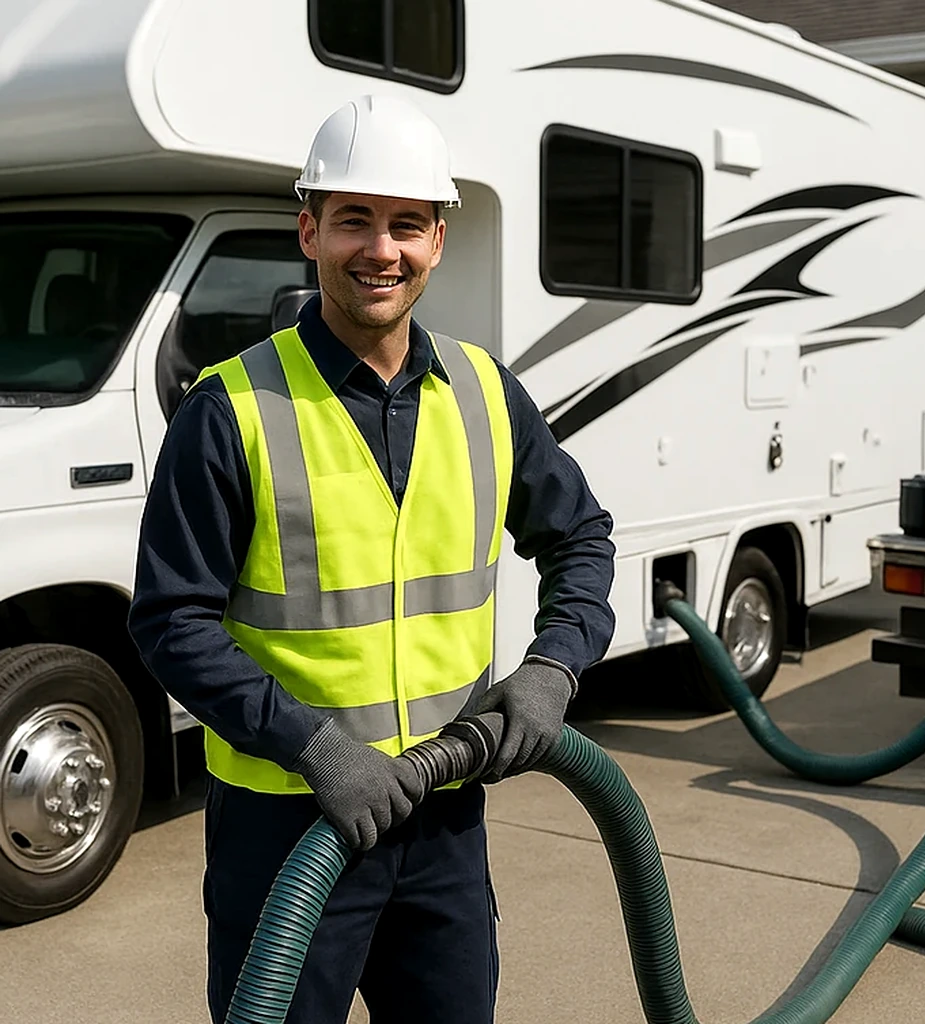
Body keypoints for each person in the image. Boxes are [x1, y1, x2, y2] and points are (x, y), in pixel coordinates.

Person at [127, 94, 616, 1023]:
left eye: (405, 224)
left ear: (439, 240)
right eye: (353, 220)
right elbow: (169, 621)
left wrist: (554, 668)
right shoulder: (231, 410)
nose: (379, 250)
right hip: (286, 822)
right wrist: (314, 747)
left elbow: (581, 537)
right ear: (309, 232)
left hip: (444, 819)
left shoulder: (483, 393)